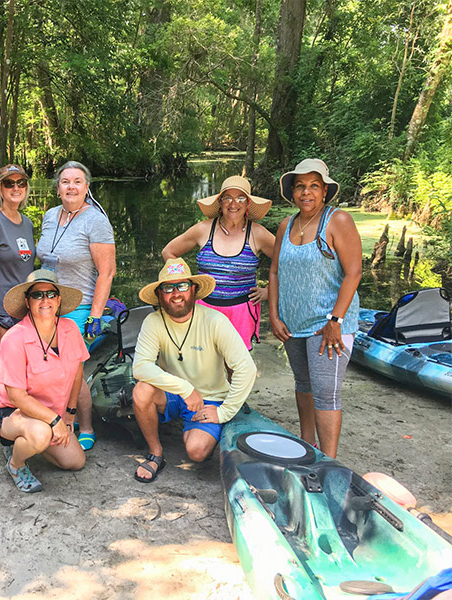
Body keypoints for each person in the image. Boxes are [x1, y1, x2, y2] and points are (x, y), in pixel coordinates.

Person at [131, 258, 256, 482]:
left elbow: (246, 368)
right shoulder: (153, 321)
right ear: (160, 295)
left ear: (194, 290)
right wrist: (185, 388)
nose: (176, 293)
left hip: (210, 398)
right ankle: (156, 453)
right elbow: (140, 367)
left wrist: (224, 412)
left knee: (197, 452)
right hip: (172, 393)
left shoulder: (215, 320)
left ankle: (210, 426)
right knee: (141, 390)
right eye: (168, 288)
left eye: (182, 286)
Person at [268, 159, 361, 459]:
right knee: (303, 385)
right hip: (293, 325)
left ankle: (328, 462)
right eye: (300, 186)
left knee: (326, 395)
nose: (306, 193)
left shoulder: (338, 221)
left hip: (328, 326)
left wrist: (336, 319)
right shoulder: (286, 224)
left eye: (313, 186)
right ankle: (307, 446)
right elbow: (274, 272)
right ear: (292, 192)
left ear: (324, 191)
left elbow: (354, 273)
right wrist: (274, 314)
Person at [35, 161, 116, 451]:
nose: (71, 187)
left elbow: (107, 272)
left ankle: (85, 424)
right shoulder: (49, 216)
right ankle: (53, 416)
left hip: (80, 304)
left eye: (78, 182)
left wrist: (95, 315)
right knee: (46, 363)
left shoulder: (94, 220)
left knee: (71, 366)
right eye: (66, 181)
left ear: (86, 188)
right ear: (58, 188)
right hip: (47, 304)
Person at [0, 270, 89, 493]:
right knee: (41, 434)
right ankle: (16, 463)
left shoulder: (70, 329)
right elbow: (16, 395)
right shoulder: (14, 338)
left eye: (51, 294)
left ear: (59, 300)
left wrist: (69, 414)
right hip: (9, 410)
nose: (45, 300)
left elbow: (78, 372)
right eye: (37, 295)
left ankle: (28, 442)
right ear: (27, 301)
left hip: (49, 413)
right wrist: (54, 421)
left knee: (75, 461)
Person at [162, 175, 275, 351]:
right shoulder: (203, 229)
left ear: (248, 204)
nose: (233, 204)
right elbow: (169, 252)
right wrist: (184, 286)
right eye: (227, 198)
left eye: (240, 198)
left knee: (236, 368)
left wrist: (270, 291)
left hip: (242, 311)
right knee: (204, 365)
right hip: (204, 309)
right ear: (220, 202)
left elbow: (287, 262)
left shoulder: (258, 233)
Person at [0, 164, 36, 374]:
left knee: (25, 371)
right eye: (9, 183)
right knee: (5, 371)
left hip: (26, 311)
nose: (16, 188)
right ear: (0, 189)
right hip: (2, 314)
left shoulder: (27, 224)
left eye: (21, 183)